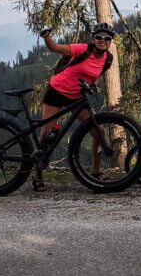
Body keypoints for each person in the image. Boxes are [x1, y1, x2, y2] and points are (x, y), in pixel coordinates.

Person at [35, 22, 116, 192]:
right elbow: (55, 48)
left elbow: (96, 76)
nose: (103, 40)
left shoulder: (107, 59)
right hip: (56, 91)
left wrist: (93, 85)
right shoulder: (83, 49)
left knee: (99, 131)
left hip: (76, 96)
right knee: (45, 134)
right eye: (99, 37)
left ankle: (96, 171)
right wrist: (46, 36)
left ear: (110, 41)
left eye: (107, 38)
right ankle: (37, 176)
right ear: (94, 38)